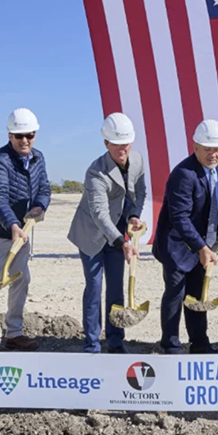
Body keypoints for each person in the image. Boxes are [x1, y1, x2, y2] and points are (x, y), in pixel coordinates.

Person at [0, 108, 51, 353]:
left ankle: (14, 333)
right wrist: (13, 225)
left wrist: (39, 207)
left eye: (29, 135)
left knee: (21, 280)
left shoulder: (38, 158)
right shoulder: (0, 161)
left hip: (22, 230)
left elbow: (44, 189)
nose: (25, 140)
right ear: (10, 136)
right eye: (19, 136)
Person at [67, 113, 146, 354]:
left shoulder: (138, 160)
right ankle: (91, 344)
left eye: (126, 143)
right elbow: (100, 214)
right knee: (94, 287)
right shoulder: (96, 173)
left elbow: (140, 193)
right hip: (92, 235)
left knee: (116, 288)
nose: (122, 148)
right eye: (117, 143)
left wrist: (133, 215)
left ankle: (115, 341)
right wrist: (122, 241)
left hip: (118, 232)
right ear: (105, 143)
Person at [152, 119, 218, 354]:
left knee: (198, 294)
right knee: (175, 295)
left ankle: (200, 345)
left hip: (202, 243)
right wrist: (201, 247)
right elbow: (180, 218)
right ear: (195, 146)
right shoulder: (183, 174)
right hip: (176, 245)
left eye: (217, 149)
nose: (212, 154)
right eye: (207, 149)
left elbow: (217, 205)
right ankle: (171, 346)